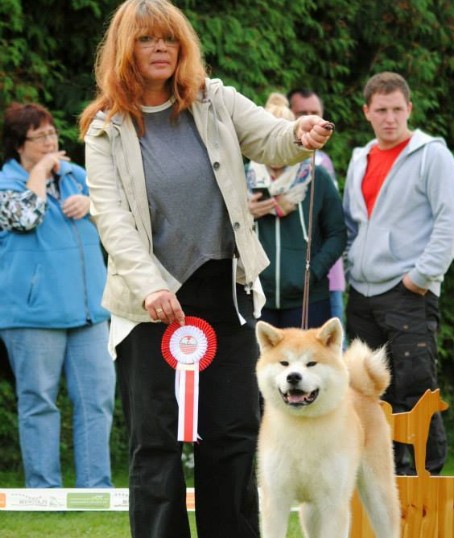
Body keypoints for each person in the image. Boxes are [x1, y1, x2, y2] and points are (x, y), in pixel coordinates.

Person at [78, 1, 334, 537]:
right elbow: (113, 221)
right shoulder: (105, 130)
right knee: (155, 444)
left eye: (169, 39)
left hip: (229, 293)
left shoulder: (214, 101)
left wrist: (301, 132)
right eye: (148, 39)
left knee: (235, 434)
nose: (161, 49)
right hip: (149, 307)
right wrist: (150, 287)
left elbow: (271, 139)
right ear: (126, 49)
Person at [343, 72, 454, 475]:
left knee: (417, 387)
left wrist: (421, 276)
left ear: (409, 109)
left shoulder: (433, 155)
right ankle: (384, 476)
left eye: (398, 109)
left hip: (408, 291)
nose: (390, 118)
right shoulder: (360, 158)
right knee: (370, 391)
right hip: (362, 292)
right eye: (381, 110)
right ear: (367, 112)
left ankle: (426, 477)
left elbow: (452, 222)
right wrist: (349, 266)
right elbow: (351, 223)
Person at [0, 102, 116, 488]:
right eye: (40, 136)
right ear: (20, 144)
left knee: (96, 403)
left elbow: (120, 213)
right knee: (38, 403)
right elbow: (25, 217)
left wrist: (92, 204)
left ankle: (95, 489)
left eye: (53, 133)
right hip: (32, 317)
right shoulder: (6, 186)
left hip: (90, 312)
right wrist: (36, 173)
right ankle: (42, 490)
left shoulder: (76, 176)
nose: (51, 141)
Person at [246, 93, 346, 329]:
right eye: (268, 139)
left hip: (308, 300)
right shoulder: (241, 177)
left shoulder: (316, 175)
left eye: (281, 139)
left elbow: (337, 233)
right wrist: (244, 213)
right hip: (257, 299)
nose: (275, 148)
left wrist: (313, 274)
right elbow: (222, 233)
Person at [287, 88, 346, 327]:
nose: (312, 119)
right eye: (303, 113)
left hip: (328, 278)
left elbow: (334, 226)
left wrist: (316, 270)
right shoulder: (266, 166)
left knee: (332, 352)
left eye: (316, 113)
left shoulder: (323, 162)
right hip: (289, 284)